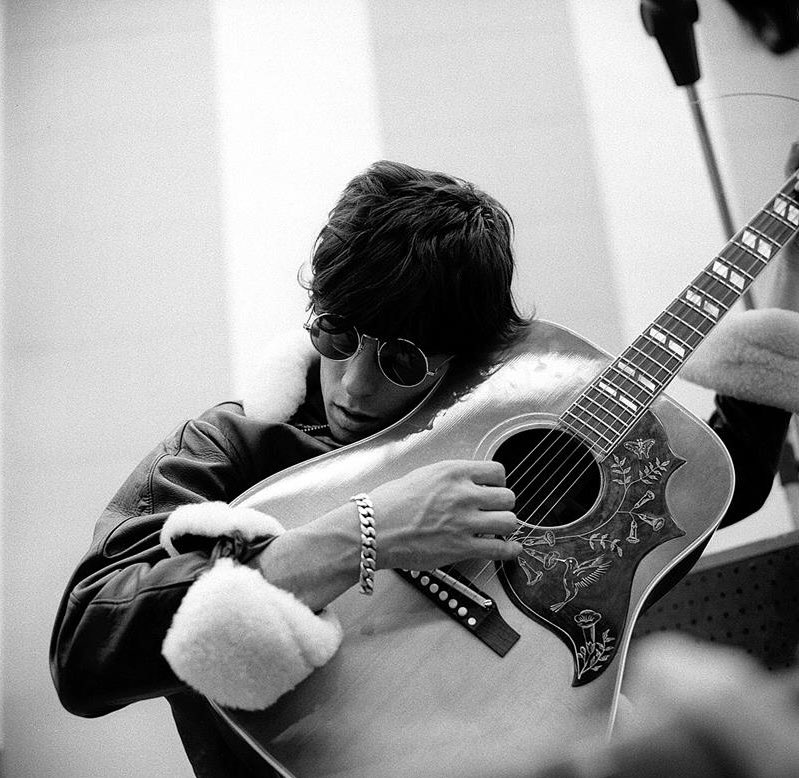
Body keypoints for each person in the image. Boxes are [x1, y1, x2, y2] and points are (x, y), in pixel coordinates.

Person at [50, 157, 799, 777]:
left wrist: (778, 322)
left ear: (464, 360)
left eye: (402, 359)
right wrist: (365, 531)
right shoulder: (233, 447)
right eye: (337, 333)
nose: (354, 384)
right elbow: (85, 648)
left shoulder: (506, 430)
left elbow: (714, 481)